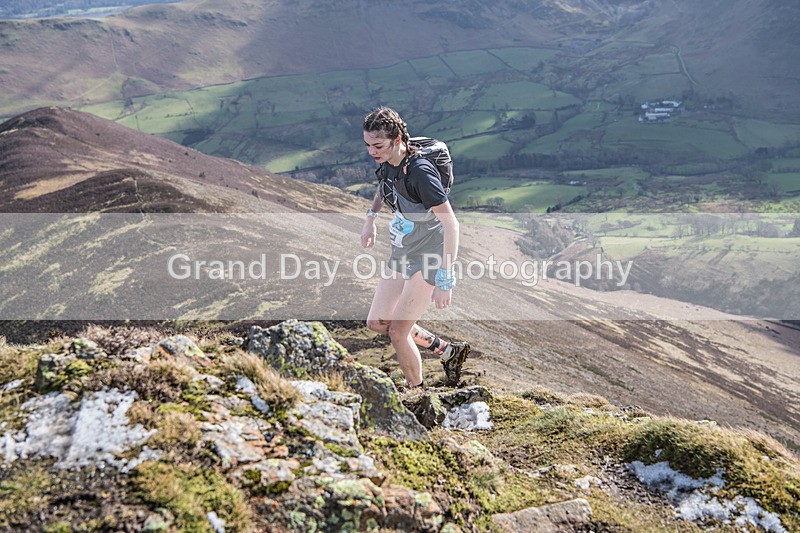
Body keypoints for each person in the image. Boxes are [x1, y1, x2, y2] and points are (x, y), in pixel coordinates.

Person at [360, 106, 470, 388]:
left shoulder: (420, 171)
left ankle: (417, 394)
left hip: (431, 251)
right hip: (405, 247)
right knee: (377, 322)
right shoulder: (387, 160)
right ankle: (447, 350)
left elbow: (451, 225)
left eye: (378, 145)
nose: (372, 151)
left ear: (398, 140)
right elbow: (384, 186)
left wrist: (446, 279)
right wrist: (370, 219)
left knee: (398, 332)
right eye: (368, 145)